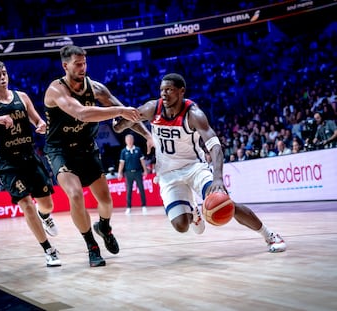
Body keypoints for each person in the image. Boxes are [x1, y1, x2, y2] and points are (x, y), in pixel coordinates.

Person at [113, 73, 286, 253]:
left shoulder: (193, 114)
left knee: (226, 203)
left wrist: (218, 178)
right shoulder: (152, 108)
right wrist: (119, 124)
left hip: (195, 167)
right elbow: (128, 121)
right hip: (167, 173)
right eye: (162, 90)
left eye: (169, 90)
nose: (164, 94)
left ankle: (269, 235)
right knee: (181, 226)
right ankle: (194, 212)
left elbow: (215, 146)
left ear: (181, 92)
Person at [43, 45, 148, 267]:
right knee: (75, 195)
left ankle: (104, 227)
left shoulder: (97, 89)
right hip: (60, 150)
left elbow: (127, 113)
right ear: (65, 66)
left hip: (86, 148)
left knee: (106, 201)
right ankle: (91, 245)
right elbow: (81, 113)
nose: (83, 68)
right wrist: (118, 111)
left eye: (84, 63)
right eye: (77, 64)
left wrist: (148, 135)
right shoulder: (56, 90)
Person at [0, 60, 61, 267]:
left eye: (4, 73)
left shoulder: (22, 97)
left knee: (47, 204)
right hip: (8, 163)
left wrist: (41, 124)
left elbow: (37, 120)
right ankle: (49, 250)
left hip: (30, 158)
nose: (2, 77)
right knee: (25, 203)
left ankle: (45, 216)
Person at [117, 133, 148, 215]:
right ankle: (128, 207)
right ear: (125, 141)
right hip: (128, 173)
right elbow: (121, 163)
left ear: (133, 140)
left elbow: (142, 161)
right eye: (128, 140)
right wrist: (119, 173)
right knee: (129, 191)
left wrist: (145, 170)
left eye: (131, 140)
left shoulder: (138, 149)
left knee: (141, 189)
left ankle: (144, 206)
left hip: (138, 172)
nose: (129, 141)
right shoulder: (123, 151)